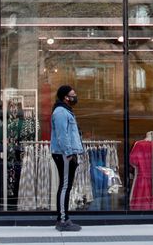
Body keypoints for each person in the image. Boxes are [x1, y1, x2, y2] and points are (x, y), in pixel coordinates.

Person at [50, 85, 84, 232]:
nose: (75, 96)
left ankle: (63, 218)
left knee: (66, 186)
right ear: (65, 97)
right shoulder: (60, 112)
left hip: (67, 153)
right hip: (64, 154)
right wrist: (69, 153)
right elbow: (62, 135)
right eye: (73, 94)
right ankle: (63, 220)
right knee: (64, 186)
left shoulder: (66, 111)